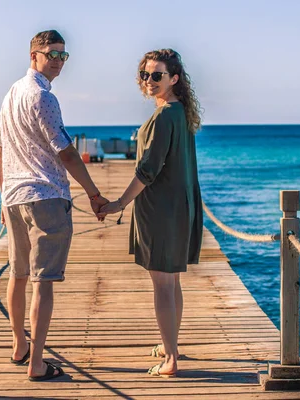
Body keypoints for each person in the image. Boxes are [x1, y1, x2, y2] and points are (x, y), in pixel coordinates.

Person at [0, 29, 108, 382]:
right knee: (42, 281)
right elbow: (67, 151)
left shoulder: (11, 93)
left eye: (63, 55)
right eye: (51, 54)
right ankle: (37, 364)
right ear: (34, 56)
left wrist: (3, 195)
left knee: (18, 274)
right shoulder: (42, 96)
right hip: (45, 195)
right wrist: (93, 193)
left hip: (15, 197)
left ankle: (19, 346)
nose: (58, 61)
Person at [99, 49, 203, 378]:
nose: (149, 81)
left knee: (162, 284)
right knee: (171, 281)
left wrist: (118, 203)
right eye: (145, 75)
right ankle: (170, 343)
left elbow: (147, 171)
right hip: (176, 207)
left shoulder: (164, 116)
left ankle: (171, 359)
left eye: (157, 75)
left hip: (161, 211)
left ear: (174, 78)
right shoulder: (178, 112)